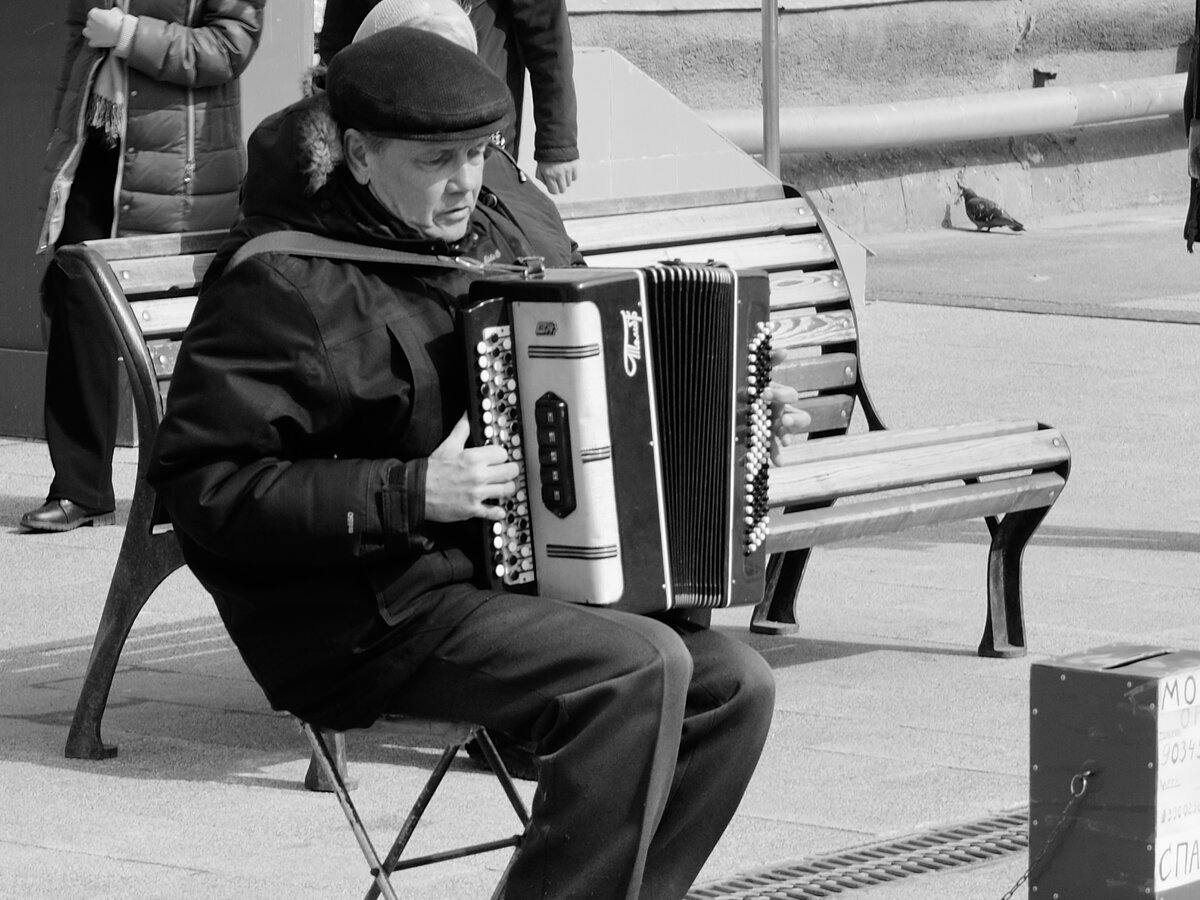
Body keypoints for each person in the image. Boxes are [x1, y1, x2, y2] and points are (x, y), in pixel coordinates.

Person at [148, 27, 792, 900]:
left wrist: (733, 410)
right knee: (641, 667)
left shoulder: (502, 229)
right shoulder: (282, 287)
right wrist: (411, 490)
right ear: (358, 155)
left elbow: (610, 363)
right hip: (363, 609)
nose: (464, 181)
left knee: (734, 685)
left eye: (478, 152)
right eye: (435, 159)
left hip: (502, 583)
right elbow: (207, 494)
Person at [22, 0, 265, 533]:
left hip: (178, 167)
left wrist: (131, 34)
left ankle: (195, 489)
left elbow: (230, 46)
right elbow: (81, 37)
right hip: (95, 147)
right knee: (73, 303)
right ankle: (79, 487)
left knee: (179, 333)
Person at [319, 0, 580, 194]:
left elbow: (546, 35)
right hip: (390, 121)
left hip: (478, 118)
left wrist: (556, 145)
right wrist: (323, 135)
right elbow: (338, 39)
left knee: (479, 215)